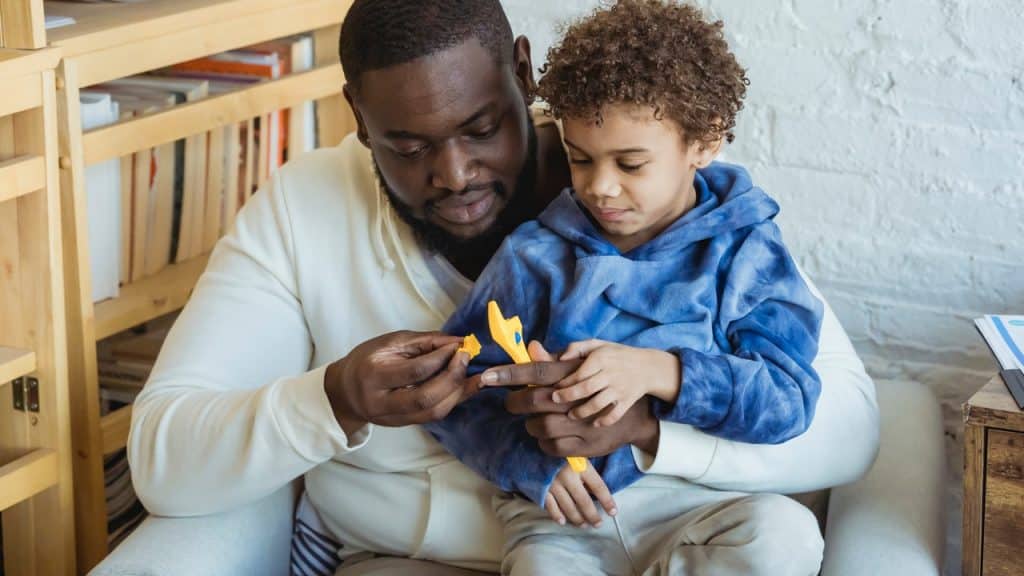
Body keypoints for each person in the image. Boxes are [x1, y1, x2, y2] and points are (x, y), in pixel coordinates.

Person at [127, 1, 879, 574]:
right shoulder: (307, 210)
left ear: (524, 74)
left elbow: (843, 423)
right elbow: (164, 463)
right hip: (433, 556)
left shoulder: (684, 203)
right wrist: (337, 398)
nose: (453, 175)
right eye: (409, 146)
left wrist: (649, 425)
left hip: (669, 533)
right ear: (358, 116)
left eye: (482, 128)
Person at [425, 2, 824, 573]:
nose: (600, 187)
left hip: (699, 504)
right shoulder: (534, 256)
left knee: (784, 535)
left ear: (705, 142)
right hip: (565, 516)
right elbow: (457, 391)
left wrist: (661, 372)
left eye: (631, 164)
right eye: (580, 159)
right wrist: (531, 467)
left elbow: (788, 398)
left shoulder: (747, 251)